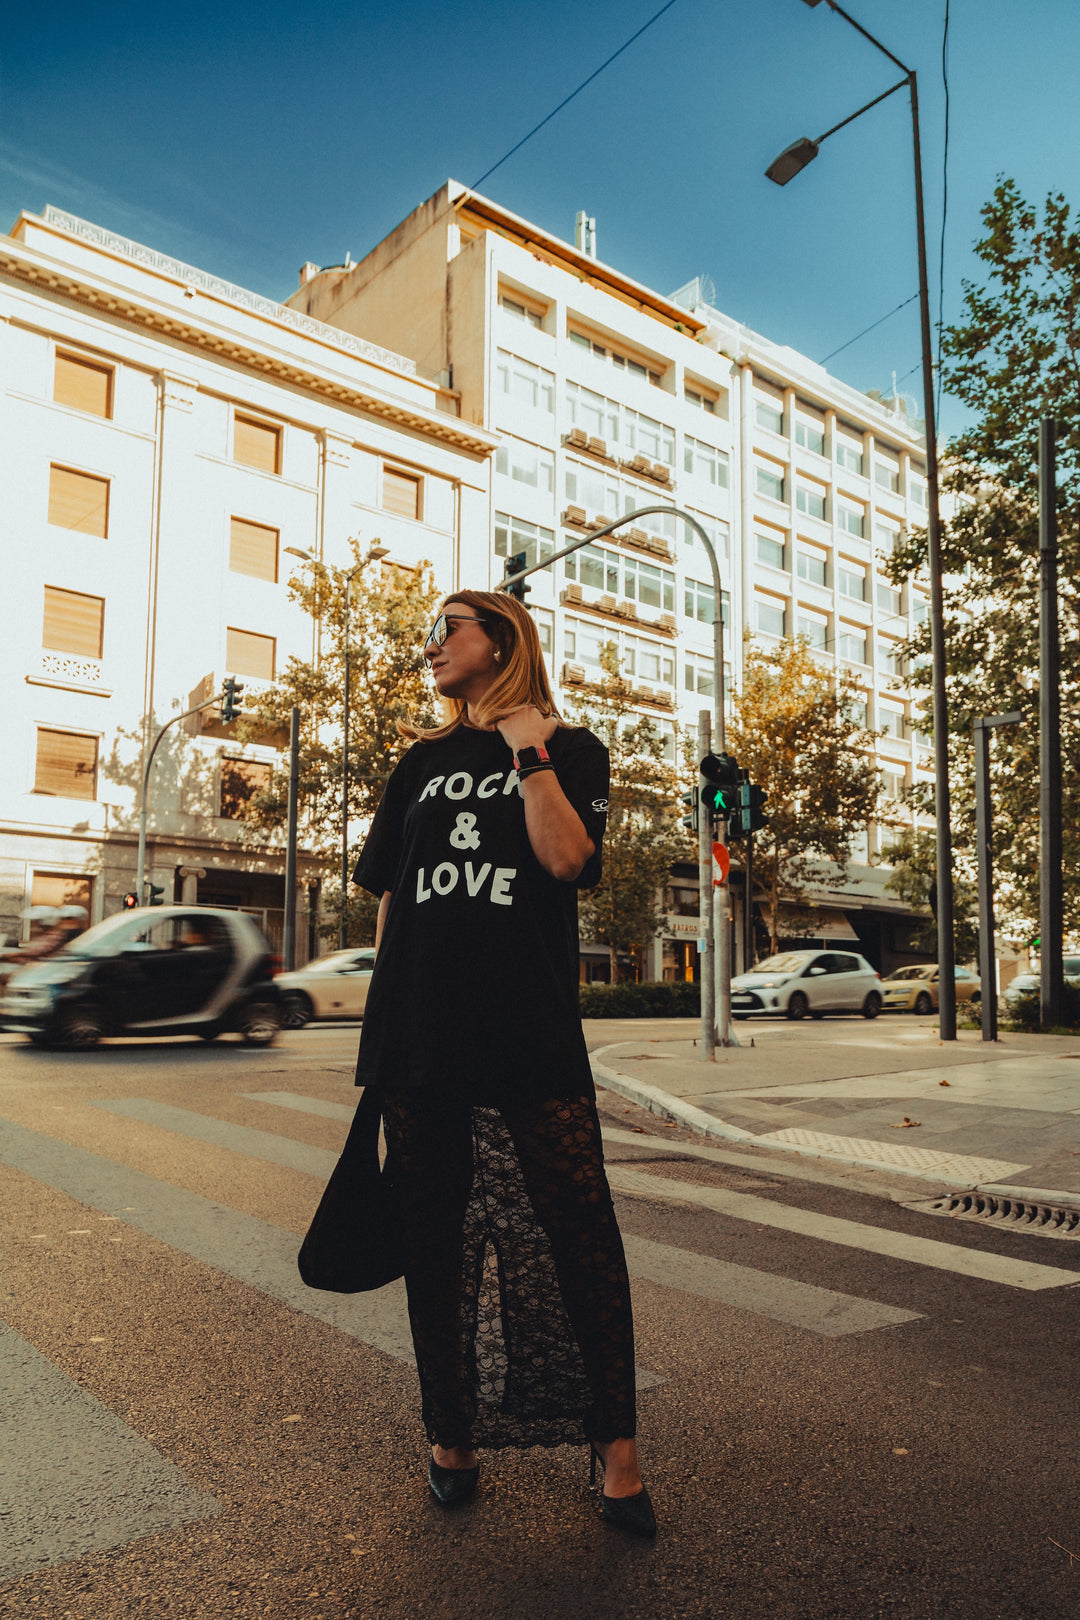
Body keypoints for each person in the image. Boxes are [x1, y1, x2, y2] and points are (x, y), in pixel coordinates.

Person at [351, 589, 655, 1537]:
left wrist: (527, 749)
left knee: (577, 1234)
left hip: (527, 1029)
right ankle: (452, 1437)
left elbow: (567, 861)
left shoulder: (570, 749)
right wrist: (383, 1016)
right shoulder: (420, 761)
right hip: (421, 1036)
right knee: (436, 1245)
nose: (430, 646)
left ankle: (617, 1448)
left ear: (502, 640)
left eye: (447, 629)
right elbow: (392, 898)